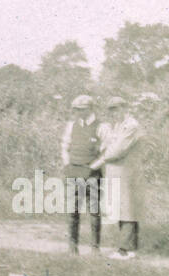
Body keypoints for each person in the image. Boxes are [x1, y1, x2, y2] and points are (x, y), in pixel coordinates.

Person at [93, 96, 145, 259]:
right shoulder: (117, 126)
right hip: (117, 172)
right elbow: (106, 143)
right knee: (123, 208)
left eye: (117, 109)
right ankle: (130, 249)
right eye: (111, 110)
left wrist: (99, 161)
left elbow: (117, 150)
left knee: (127, 209)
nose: (114, 113)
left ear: (124, 108)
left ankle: (124, 249)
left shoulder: (131, 126)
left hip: (126, 171)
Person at [60, 94, 103, 254]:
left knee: (94, 210)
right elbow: (65, 145)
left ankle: (95, 248)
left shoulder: (101, 127)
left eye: (82, 109)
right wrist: (67, 164)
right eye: (76, 110)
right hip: (74, 171)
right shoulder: (71, 125)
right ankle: (73, 247)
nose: (78, 112)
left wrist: (92, 167)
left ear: (91, 109)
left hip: (92, 172)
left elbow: (106, 152)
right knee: (73, 209)